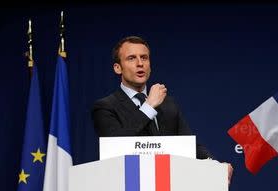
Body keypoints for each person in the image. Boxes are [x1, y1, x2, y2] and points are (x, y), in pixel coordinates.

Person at [92, 35, 233, 181]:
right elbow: (116, 145)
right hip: (128, 186)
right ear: (117, 68)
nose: (140, 63)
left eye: (144, 57)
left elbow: (188, 145)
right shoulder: (105, 107)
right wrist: (148, 106)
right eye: (131, 58)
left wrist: (214, 165)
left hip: (167, 185)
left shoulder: (168, 104)